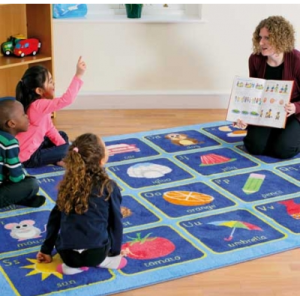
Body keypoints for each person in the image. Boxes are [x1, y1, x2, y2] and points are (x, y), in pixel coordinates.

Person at [36, 133, 127, 275]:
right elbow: (116, 222)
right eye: (105, 148)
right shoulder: (108, 186)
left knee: (68, 234)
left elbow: (54, 220)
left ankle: (71, 268)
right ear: (102, 160)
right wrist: (115, 252)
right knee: (103, 229)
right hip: (97, 253)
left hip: (68, 255)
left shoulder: (65, 186)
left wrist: (46, 250)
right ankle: (106, 261)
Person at [235, 16, 300, 159]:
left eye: (267, 38)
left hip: (294, 113)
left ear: (280, 39)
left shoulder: (297, 60)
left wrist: (295, 107)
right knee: (254, 146)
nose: (261, 42)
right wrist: (244, 116)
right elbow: (253, 92)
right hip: (267, 112)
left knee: (284, 150)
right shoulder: (255, 59)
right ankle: (278, 133)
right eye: (260, 37)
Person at [15, 56, 86, 168]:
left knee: (62, 136)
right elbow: (66, 100)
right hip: (28, 157)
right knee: (67, 148)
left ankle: (58, 158)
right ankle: (58, 157)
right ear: (39, 90)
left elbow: (49, 128)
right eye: (50, 82)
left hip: (35, 145)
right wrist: (78, 75)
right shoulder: (37, 106)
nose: (54, 84)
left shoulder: (39, 104)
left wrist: (62, 147)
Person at [0, 99, 46, 208]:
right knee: (32, 184)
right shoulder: (9, 142)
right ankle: (21, 198)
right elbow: (16, 178)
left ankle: (20, 197)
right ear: (12, 123)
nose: (27, 116)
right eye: (23, 114)